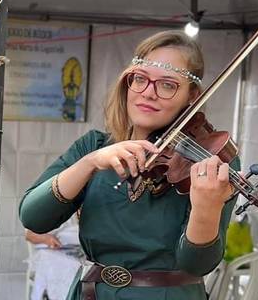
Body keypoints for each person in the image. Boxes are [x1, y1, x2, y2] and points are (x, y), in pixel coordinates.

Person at [19, 31, 238, 299]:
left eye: (167, 85)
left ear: (192, 96)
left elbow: (198, 264)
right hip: (91, 294)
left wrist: (206, 208)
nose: (148, 93)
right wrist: (88, 164)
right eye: (140, 79)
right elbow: (33, 218)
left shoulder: (209, 160)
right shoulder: (95, 146)